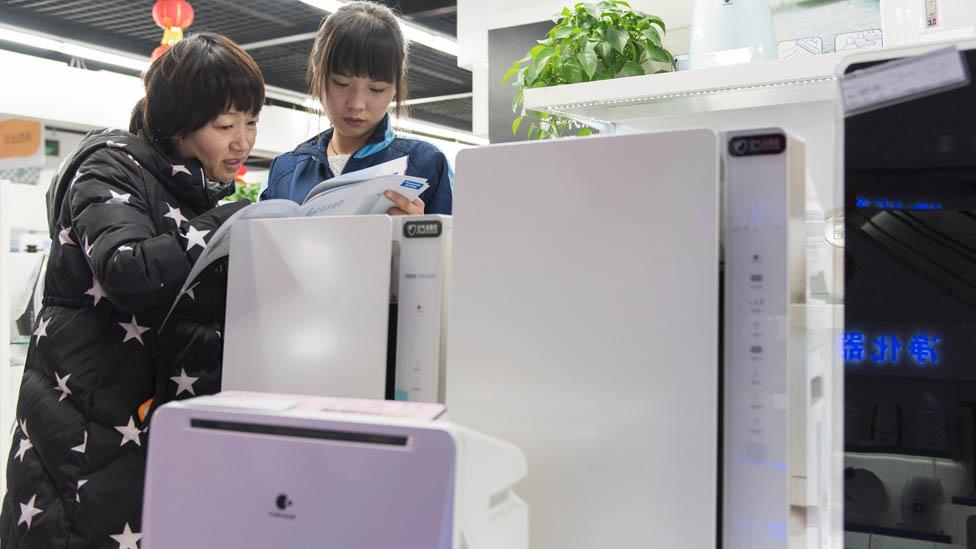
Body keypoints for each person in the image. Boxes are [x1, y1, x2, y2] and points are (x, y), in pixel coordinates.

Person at [0, 32, 264, 548]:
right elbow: (129, 268)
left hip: (148, 429)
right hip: (88, 437)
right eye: (224, 125)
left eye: (251, 122)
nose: (243, 141)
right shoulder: (110, 166)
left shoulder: (196, 189)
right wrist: (228, 221)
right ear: (177, 124)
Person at [261, 0, 453, 215]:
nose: (357, 104)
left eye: (377, 89)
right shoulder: (286, 170)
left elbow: (464, 247)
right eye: (341, 84)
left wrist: (420, 234)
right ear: (317, 72)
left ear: (396, 86)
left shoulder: (426, 164)